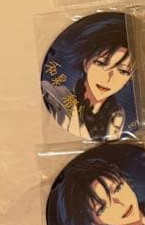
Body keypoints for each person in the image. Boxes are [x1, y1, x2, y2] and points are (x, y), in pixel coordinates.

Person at [42, 13, 133, 141]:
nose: (109, 78)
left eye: (123, 71)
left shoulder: (118, 115)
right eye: (101, 63)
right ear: (86, 64)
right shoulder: (55, 98)